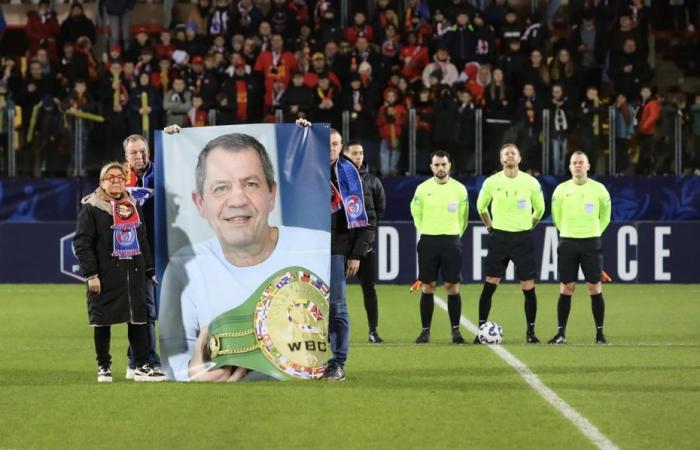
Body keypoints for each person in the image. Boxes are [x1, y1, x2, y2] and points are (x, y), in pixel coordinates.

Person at [158, 129, 330, 381]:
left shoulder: (322, 249)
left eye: (250, 184)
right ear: (200, 203)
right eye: (220, 188)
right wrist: (192, 373)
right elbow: (171, 361)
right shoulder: (185, 266)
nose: (237, 199)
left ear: (272, 194)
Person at [73, 162, 165, 382]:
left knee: (138, 320)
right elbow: (82, 244)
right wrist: (91, 275)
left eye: (120, 177)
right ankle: (104, 367)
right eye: (110, 177)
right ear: (102, 182)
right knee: (102, 321)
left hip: (132, 271)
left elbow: (142, 240)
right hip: (105, 275)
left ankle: (141, 366)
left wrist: (149, 269)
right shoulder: (91, 208)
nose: (116, 181)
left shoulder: (133, 204)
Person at [475, 143, 545, 344]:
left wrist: (528, 226)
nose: (510, 156)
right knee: (490, 283)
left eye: (513, 152)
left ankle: (531, 333)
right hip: (500, 238)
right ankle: (480, 331)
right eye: (506, 153)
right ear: (501, 159)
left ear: (519, 158)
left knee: (528, 285)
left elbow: (539, 210)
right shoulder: (491, 182)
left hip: (522, 238)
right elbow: (481, 207)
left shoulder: (531, 182)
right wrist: (490, 227)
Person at [548, 151, 611, 345]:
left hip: (591, 242)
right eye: (574, 163)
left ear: (588, 166)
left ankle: (600, 335)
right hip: (567, 241)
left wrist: (593, 232)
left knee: (594, 287)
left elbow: (606, 217)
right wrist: (568, 231)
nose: (577, 166)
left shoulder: (599, 190)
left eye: (581, 163)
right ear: (569, 167)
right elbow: (556, 217)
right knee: (567, 287)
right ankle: (560, 334)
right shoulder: (560, 190)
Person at [410, 151, 469, 344]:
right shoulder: (422, 189)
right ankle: (425, 332)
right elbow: (416, 213)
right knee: (428, 286)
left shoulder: (460, 190)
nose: (440, 168)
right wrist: (427, 230)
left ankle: (456, 332)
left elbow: (463, 218)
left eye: (444, 164)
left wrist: (453, 234)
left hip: (451, 241)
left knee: (452, 286)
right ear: (431, 167)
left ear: (450, 165)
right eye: (437, 165)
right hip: (428, 241)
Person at [121, 135, 162, 379]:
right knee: (144, 309)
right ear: (126, 157)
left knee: (148, 309)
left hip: (162, 248)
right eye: (134, 153)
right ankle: (148, 362)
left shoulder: (162, 172)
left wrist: (175, 137)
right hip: (133, 253)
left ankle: (135, 361)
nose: (139, 156)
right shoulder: (118, 179)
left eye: (143, 151)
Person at [344, 141, 386, 343]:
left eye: (360, 153)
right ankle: (329, 332)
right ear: (346, 154)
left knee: (369, 288)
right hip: (341, 247)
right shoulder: (336, 179)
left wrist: (365, 241)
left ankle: (373, 331)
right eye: (354, 153)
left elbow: (379, 210)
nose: (358, 157)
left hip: (366, 246)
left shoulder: (372, 181)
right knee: (334, 292)